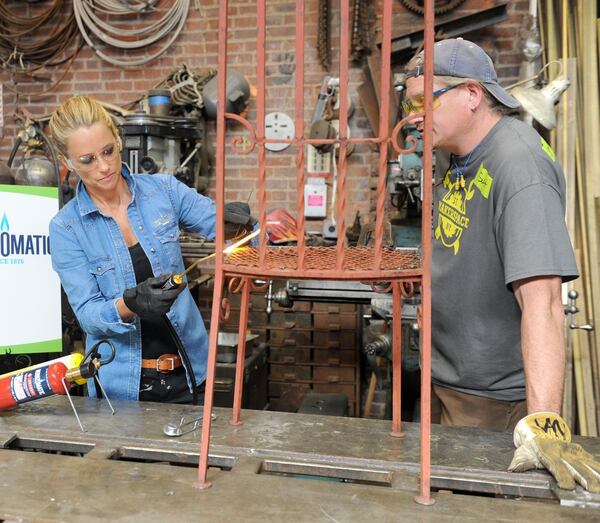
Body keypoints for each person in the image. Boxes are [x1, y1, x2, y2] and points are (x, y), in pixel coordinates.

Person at [403, 40, 600, 493]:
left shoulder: (519, 164)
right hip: (446, 380)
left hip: (493, 402)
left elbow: (544, 301)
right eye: (407, 103)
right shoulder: (455, 157)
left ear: (472, 95)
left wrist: (544, 425)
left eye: (422, 101)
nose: (412, 115)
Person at [48, 95, 255, 404]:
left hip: (190, 374)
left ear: (118, 140)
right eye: (87, 160)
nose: (104, 167)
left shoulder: (163, 191)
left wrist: (249, 230)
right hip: (121, 389)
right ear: (68, 162)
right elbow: (88, 315)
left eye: (108, 151)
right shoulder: (66, 228)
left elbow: (230, 225)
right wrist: (131, 304)